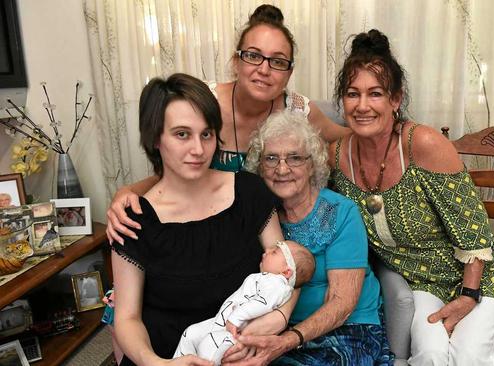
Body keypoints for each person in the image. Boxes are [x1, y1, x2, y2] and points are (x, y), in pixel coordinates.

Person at [329, 29, 494, 366]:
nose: (362, 105)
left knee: (469, 356)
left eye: (375, 94)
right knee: (429, 354)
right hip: (419, 281)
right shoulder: (337, 158)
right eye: (352, 94)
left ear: (395, 100)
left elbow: (474, 235)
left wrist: (469, 296)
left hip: (476, 277)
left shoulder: (422, 145)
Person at [105, 4, 348, 243]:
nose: (264, 69)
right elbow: (173, 173)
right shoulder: (203, 106)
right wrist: (128, 192)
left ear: (289, 73)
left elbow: (349, 140)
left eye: (278, 61)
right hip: (215, 232)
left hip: (277, 234)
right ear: (236, 62)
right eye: (253, 56)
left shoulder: (297, 110)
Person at [111, 73, 289, 366]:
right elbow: (127, 318)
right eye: (182, 134)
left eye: (206, 134)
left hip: (244, 352)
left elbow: (286, 275)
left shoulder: (249, 191)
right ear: (156, 137)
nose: (198, 149)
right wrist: (155, 363)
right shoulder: (134, 220)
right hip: (164, 357)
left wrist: (274, 323)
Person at [235, 110, 392, 365]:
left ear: (312, 164)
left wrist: (289, 339)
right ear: (259, 166)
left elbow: (342, 303)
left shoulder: (341, 212)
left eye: (294, 158)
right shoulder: (260, 215)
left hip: (348, 329)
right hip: (280, 331)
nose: (282, 169)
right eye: (271, 158)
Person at [174, 240, 315, 364]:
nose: (267, 250)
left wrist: (236, 318)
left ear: (286, 272)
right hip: (221, 322)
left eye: (275, 252)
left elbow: (262, 303)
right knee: (190, 333)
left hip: (236, 331)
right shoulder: (265, 278)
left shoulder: (278, 285)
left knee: (209, 346)